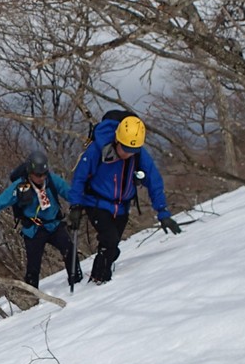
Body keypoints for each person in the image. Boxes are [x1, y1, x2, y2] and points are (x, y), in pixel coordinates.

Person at [68, 110, 181, 284]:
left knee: (111, 247)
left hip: (122, 206)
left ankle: (96, 279)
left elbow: (154, 179)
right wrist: (75, 206)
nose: (127, 154)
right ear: (117, 139)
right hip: (96, 203)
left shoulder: (138, 153)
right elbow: (79, 178)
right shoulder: (96, 150)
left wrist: (163, 212)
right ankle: (101, 282)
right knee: (110, 239)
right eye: (125, 149)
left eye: (132, 151)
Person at [0, 149, 82, 290]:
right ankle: (32, 294)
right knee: (33, 266)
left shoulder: (51, 180)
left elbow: (69, 192)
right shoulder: (20, 187)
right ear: (29, 172)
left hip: (54, 225)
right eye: (38, 175)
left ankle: (77, 281)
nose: (41, 178)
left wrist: (78, 205)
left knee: (69, 249)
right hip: (33, 230)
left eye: (43, 174)